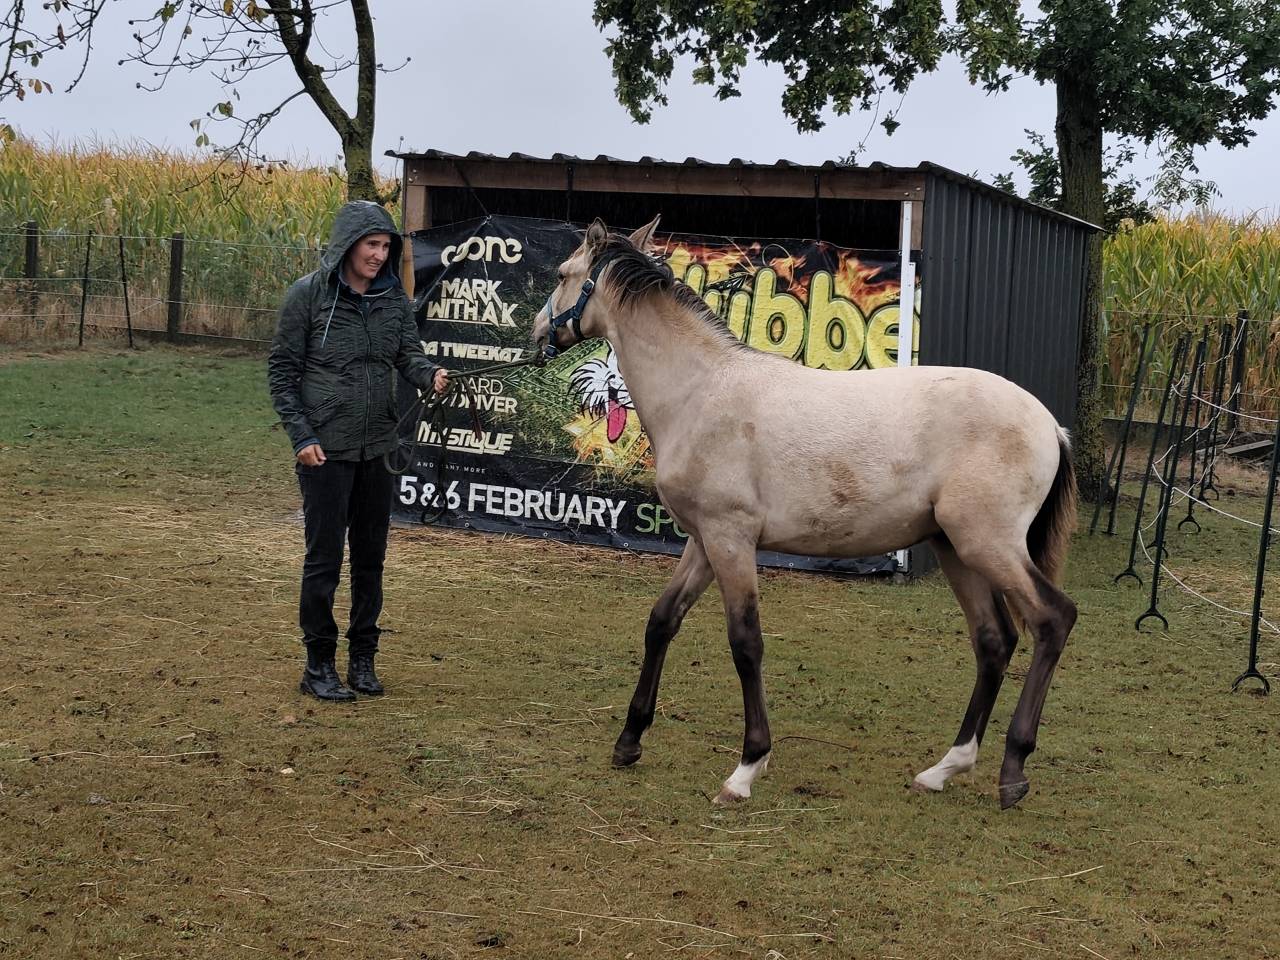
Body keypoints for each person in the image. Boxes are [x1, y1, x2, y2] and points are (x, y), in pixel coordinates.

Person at [268, 200, 448, 702]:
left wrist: (428, 374)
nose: (378, 254)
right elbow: (282, 374)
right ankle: (318, 664)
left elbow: (407, 355)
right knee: (324, 560)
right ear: (348, 245)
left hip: (378, 451)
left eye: (386, 246)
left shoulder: (394, 300)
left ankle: (363, 661)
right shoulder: (307, 297)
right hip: (325, 451)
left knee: (371, 560)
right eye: (371, 244)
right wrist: (303, 437)